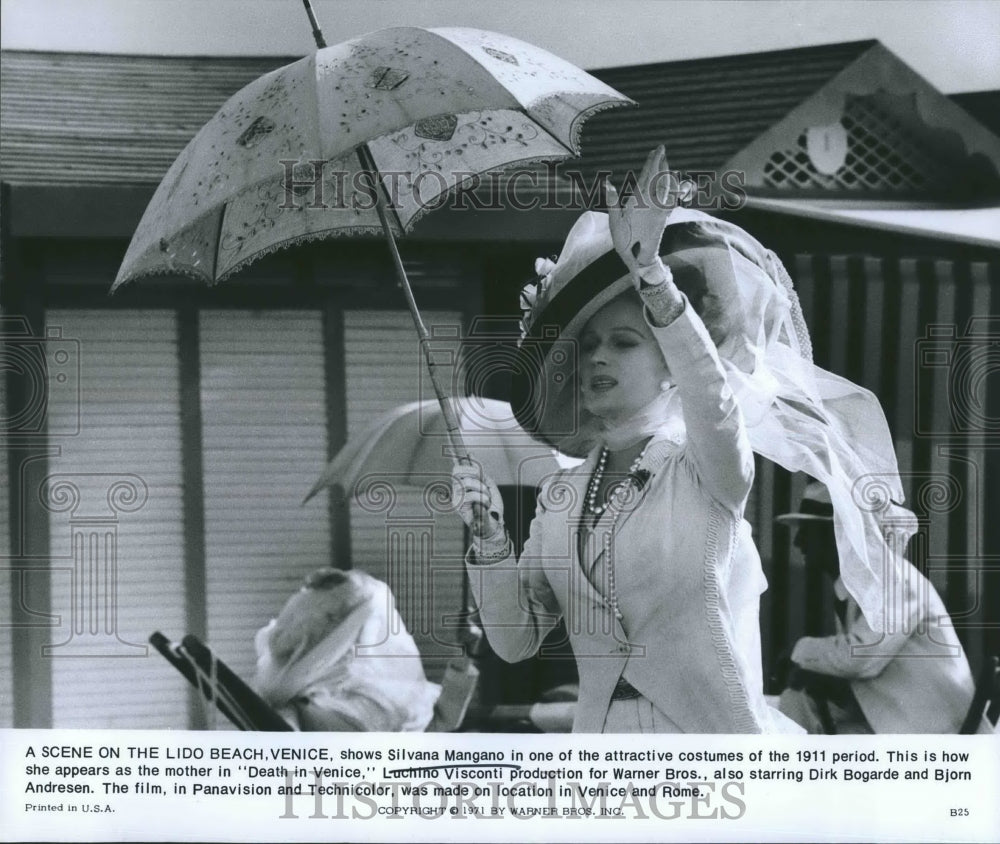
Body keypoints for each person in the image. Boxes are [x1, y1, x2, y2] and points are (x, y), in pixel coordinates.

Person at [454, 147, 810, 732]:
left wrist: (654, 281)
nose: (598, 357)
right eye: (589, 345)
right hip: (600, 750)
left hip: (709, 745)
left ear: (669, 364)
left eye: (623, 342)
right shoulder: (559, 496)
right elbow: (515, 640)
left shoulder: (705, 468)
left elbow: (711, 399)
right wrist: (489, 535)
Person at [775, 481, 987, 734]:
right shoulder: (859, 587)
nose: (798, 542)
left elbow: (862, 657)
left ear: (840, 534)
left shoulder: (895, 579)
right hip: (900, 723)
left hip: (939, 734)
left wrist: (797, 652)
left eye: (806, 530)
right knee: (795, 701)